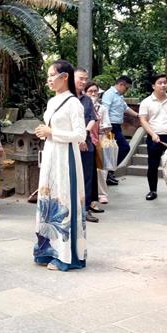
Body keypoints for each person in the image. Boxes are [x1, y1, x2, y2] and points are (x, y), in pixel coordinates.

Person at [34, 60, 87, 271]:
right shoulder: (52, 101)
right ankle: (48, 250)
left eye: (52, 75)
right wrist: (45, 132)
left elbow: (80, 135)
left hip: (66, 158)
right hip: (50, 154)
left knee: (65, 200)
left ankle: (67, 256)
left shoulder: (74, 103)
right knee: (49, 198)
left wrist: (51, 133)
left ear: (64, 77)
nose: (48, 79)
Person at [139, 74, 167, 200]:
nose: (163, 85)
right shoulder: (146, 102)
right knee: (153, 165)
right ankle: (153, 191)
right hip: (154, 138)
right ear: (153, 86)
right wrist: (153, 134)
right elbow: (143, 120)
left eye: (165, 82)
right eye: (160, 83)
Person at [74, 68, 102, 223]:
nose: (83, 82)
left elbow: (93, 118)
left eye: (85, 79)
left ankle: (85, 209)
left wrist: (84, 134)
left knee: (87, 177)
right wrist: (77, 138)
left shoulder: (86, 100)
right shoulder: (66, 98)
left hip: (86, 143)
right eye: (80, 78)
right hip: (71, 143)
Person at [101, 75, 138, 185]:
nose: (126, 90)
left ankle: (109, 173)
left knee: (116, 150)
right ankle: (108, 172)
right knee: (124, 147)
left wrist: (138, 115)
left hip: (117, 126)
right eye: (126, 88)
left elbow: (125, 108)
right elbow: (105, 110)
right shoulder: (109, 94)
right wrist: (106, 127)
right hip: (110, 127)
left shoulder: (119, 96)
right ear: (120, 84)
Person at [84, 81, 111, 204]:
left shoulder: (102, 108)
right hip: (85, 138)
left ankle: (102, 193)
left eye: (95, 91)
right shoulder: (81, 105)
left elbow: (107, 124)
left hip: (100, 138)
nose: (94, 94)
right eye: (91, 91)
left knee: (101, 168)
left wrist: (104, 127)